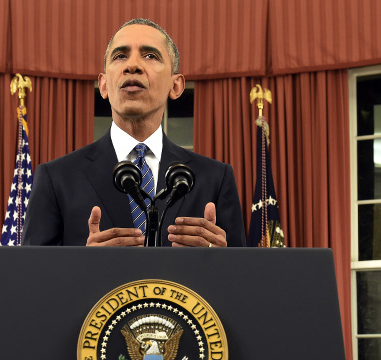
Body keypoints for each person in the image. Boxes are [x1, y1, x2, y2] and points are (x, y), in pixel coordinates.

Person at [22, 18, 245, 248]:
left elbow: (242, 279)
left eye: (150, 56)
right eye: (120, 56)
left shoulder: (216, 179)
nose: (132, 66)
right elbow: (32, 279)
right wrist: (83, 268)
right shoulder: (56, 178)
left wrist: (222, 263)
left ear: (176, 85)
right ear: (104, 85)